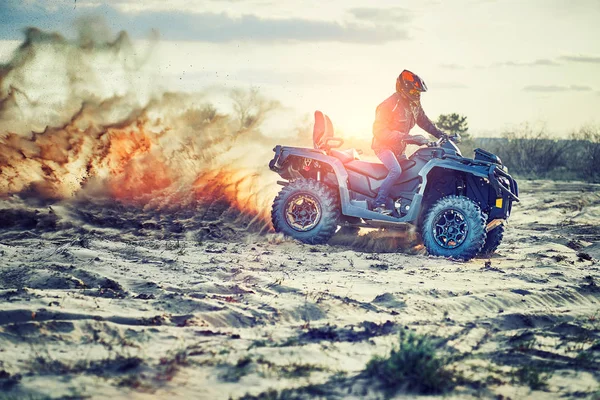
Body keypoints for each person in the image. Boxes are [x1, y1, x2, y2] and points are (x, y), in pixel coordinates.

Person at [371, 69, 445, 214]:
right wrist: (409, 138)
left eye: (418, 92)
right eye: (414, 91)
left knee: (409, 172)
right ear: (404, 89)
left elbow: (425, 122)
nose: (417, 95)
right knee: (395, 170)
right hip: (383, 146)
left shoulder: (413, 105)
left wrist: (441, 134)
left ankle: (394, 206)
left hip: (399, 148)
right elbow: (379, 132)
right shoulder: (388, 105)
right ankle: (378, 204)